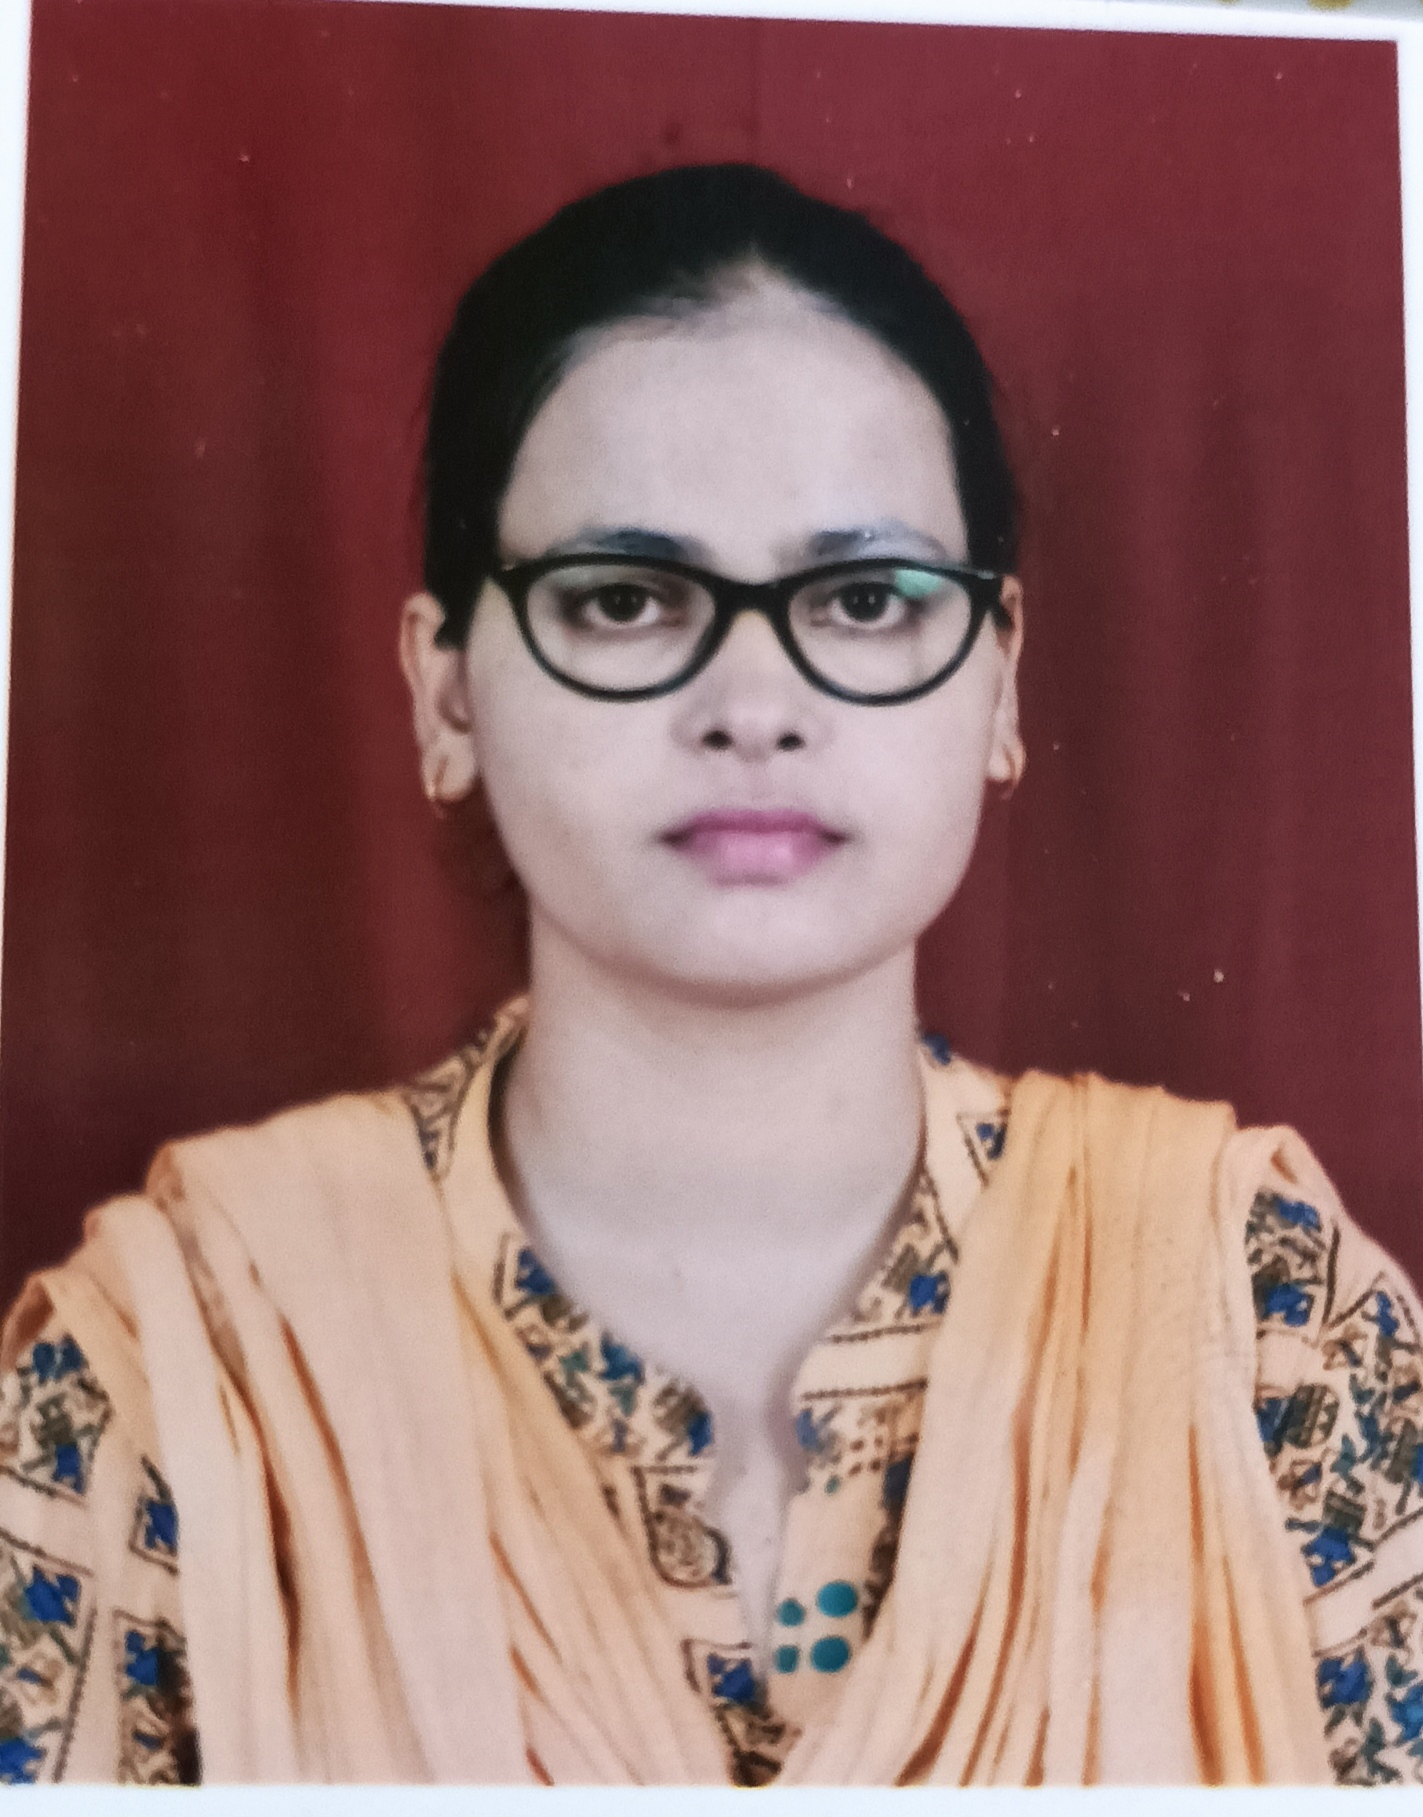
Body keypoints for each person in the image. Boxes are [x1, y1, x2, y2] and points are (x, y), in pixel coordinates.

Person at [1, 162, 1420, 1788]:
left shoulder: (1266, 1323)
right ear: (447, 695)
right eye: (625, 597)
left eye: (866, 597)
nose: (754, 703)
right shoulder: (182, 1376)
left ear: (1001, 680)